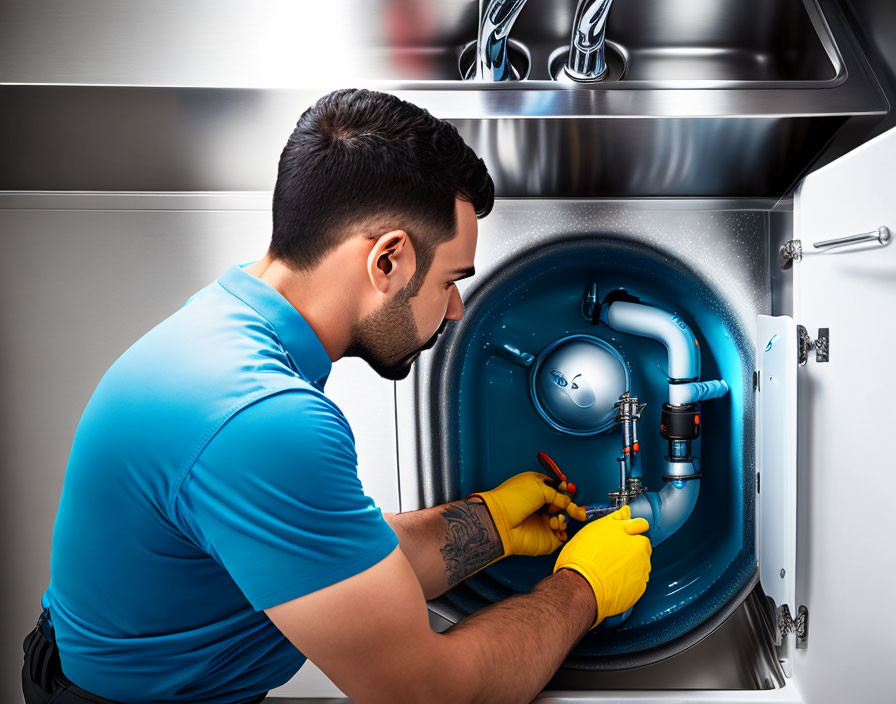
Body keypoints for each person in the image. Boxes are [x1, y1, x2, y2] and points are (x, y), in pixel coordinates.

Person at [23, 88, 652, 704]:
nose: (457, 309)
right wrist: (582, 588)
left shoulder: (231, 324)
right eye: (451, 280)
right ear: (388, 262)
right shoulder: (264, 420)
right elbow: (424, 693)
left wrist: (490, 526)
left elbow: (327, 559)